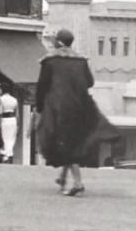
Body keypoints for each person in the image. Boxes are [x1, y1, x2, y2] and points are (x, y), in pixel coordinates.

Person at [35, 28, 120, 196]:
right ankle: (63, 177)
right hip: (79, 104)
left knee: (64, 142)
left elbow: (42, 86)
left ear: (57, 42)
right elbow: (89, 82)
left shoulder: (50, 61)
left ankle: (78, 184)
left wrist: (39, 108)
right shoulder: (80, 60)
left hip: (57, 106)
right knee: (71, 140)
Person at [0, 83, 19, 164]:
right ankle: (8, 155)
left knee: (5, 137)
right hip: (13, 120)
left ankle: (7, 155)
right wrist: (18, 125)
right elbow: (17, 114)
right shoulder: (14, 99)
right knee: (11, 138)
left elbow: (0, 112)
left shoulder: (1, 99)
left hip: (4, 119)